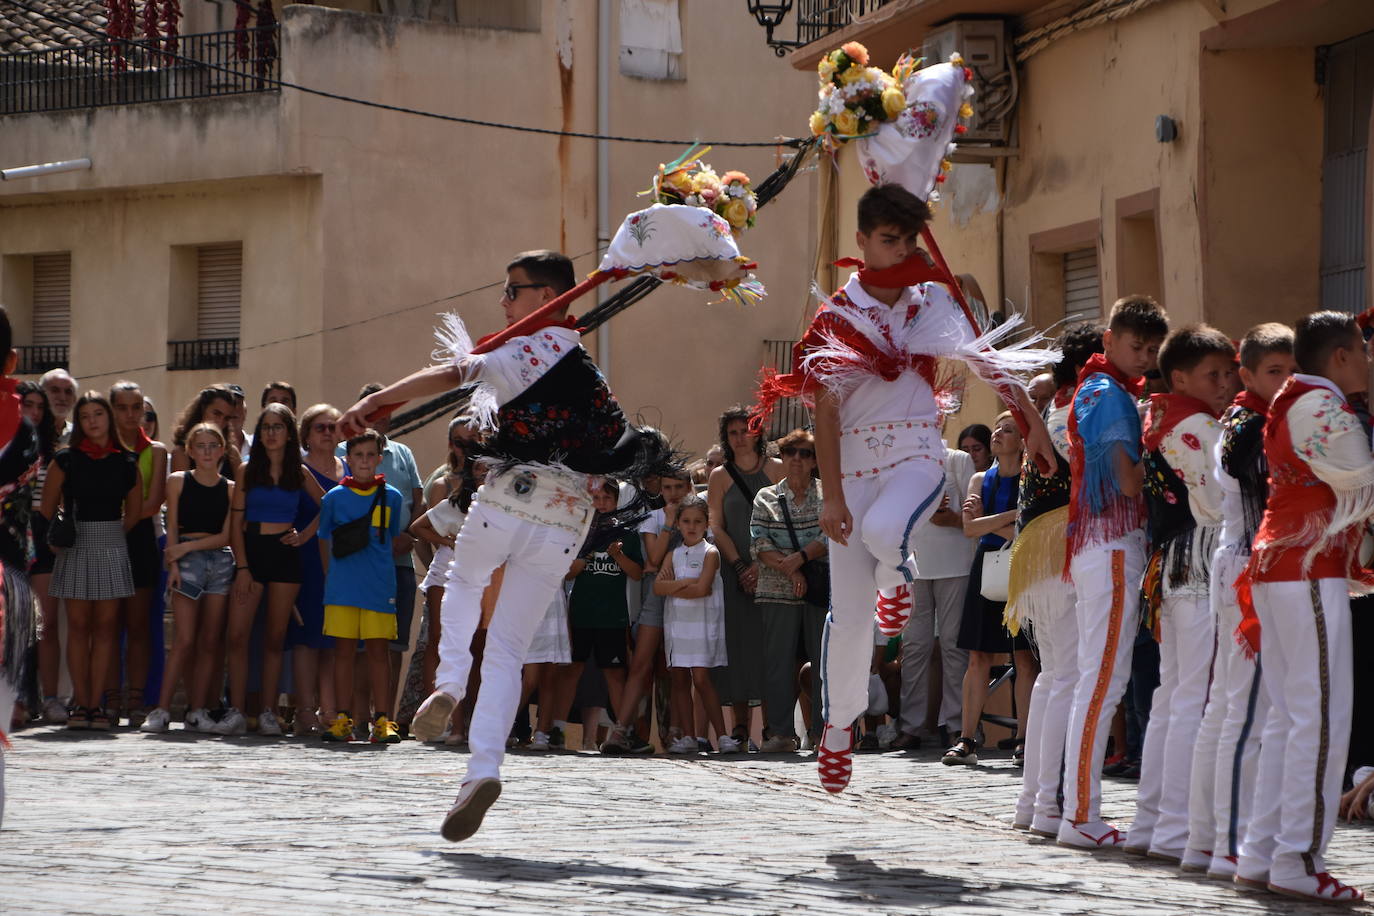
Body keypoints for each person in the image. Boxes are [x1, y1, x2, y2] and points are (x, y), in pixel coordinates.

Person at [340, 249, 671, 841]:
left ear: (546, 299)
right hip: (565, 521)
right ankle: (481, 770)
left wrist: (375, 401)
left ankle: (446, 685)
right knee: (510, 649)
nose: (503, 301)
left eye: (512, 291)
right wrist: (611, 495)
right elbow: (631, 460)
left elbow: (452, 374)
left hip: (510, 497)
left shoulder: (528, 348)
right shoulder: (589, 372)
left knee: (463, 582)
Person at [750, 183, 1056, 794]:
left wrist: (1034, 428)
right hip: (853, 470)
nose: (899, 250)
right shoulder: (836, 317)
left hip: (916, 454)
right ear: (861, 242)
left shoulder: (933, 302)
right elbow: (826, 416)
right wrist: (831, 496)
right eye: (887, 239)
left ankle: (899, 572)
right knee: (851, 614)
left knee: (888, 531)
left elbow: (992, 365)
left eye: (908, 240)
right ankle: (838, 728)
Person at [1233, 312, 1373, 902]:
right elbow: (1361, 477)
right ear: (1340, 356)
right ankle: (1296, 859)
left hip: (1290, 568)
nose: (1369, 359)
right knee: (1317, 720)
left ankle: (1265, 853)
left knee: (1291, 719)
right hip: (1305, 570)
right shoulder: (1321, 404)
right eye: (1363, 350)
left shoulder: (1300, 400)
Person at [1182, 322, 1295, 879]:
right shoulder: (1252, 424)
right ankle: (1226, 844)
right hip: (1244, 569)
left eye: (1292, 371)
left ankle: (1206, 839)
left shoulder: (1246, 419)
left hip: (1236, 564)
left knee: (1228, 708)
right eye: (1275, 371)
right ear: (1250, 373)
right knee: (1241, 712)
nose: (1287, 381)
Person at [1056, 295, 1168, 849]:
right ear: (1109, 340)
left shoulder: (1099, 388)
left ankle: (1070, 809)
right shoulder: (1113, 395)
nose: (1144, 357)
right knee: (1102, 683)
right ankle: (1080, 814)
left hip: (1097, 545)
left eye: (1151, 349)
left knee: (1092, 682)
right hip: (1113, 545)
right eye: (1135, 346)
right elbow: (1128, 482)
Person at [1126, 326, 1235, 862]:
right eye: (1213, 374)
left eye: (1229, 372)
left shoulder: (1163, 414)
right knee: (1193, 695)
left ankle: (1155, 822)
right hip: (1197, 560)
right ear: (1181, 377)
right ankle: (1179, 828)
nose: (1225, 382)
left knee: (1175, 695)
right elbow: (1219, 500)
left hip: (1174, 562)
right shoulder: (1195, 424)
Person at [1007, 324, 1104, 835]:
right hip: (1061, 545)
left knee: (1052, 676)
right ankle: (1047, 804)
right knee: (1064, 676)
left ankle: (1034, 802)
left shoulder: (1055, 408)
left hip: (1039, 551)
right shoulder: (1080, 407)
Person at [218, 404, 324, 737]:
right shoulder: (248, 470)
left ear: (289, 432)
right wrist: (244, 566)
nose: (271, 433)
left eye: (278, 426)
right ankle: (236, 710)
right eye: (265, 427)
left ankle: (267, 711)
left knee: (276, 638)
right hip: (252, 553)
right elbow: (235, 524)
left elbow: (332, 504)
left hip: (285, 554)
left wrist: (305, 535)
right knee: (237, 636)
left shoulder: (299, 471)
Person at [42, 392, 141, 729]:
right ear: (80, 423)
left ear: (108, 417)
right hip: (75, 546)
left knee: (105, 630)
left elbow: (135, 513)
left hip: (112, 544)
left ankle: (96, 706)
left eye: (98, 414)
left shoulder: (127, 461)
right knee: (79, 628)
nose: (93, 421)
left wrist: (110, 536)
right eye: (85, 416)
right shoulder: (65, 460)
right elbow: (46, 508)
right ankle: (81, 706)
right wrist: (62, 537)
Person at [945, 412, 1031, 766]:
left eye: (1008, 429)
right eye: (996, 426)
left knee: (1025, 657)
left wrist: (987, 522)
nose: (998, 433)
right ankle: (966, 739)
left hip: (1022, 569)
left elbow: (1023, 534)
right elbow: (968, 529)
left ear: (1024, 440)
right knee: (977, 656)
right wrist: (1011, 517)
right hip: (986, 569)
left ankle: (1025, 740)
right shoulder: (980, 479)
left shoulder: (1032, 478)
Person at [141, 423, 235, 733]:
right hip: (187, 563)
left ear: (222, 450)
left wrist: (187, 547)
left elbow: (226, 535)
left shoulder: (231, 488)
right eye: (201, 446)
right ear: (191, 451)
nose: (207, 451)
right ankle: (162, 709)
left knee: (210, 642)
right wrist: (175, 563)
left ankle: (197, 710)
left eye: (213, 445)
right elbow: (174, 526)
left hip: (219, 561)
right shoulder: (178, 481)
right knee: (184, 639)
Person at [316, 429, 405, 743]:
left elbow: (391, 537)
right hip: (342, 588)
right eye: (358, 455)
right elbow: (323, 539)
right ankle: (343, 719)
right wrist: (332, 578)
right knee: (344, 653)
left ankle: (383, 719)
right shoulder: (334, 498)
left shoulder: (392, 496)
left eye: (371, 455)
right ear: (348, 460)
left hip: (379, 586)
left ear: (380, 459)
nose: (365, 461)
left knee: (379, 652)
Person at [341, 383, 424, 721]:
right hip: (358, 563)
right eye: (375, 411)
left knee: (393, 645)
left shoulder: (403, 453)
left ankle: (384, 717)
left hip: (399, 563)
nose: (381, 418)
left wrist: (408, 535)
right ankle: (358, 716)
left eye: (386, 412)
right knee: (361, 645)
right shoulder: (342, 452)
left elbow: (417, 500)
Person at [600, 468, 695, 755]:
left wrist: (663, 559)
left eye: (679, 486)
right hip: (655, 594)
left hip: (686, 592)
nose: (674, 493)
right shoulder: (653, 517)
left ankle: (679, 733)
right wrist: (668, 525)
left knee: (678, 667)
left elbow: (696, 552)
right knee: (641, 663)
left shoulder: (697, 516)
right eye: (668, 487)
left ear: (689, 487)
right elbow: (651, 559)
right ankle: (620, 730)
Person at [705, 406, 783, 748]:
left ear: (757, 432)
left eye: (745, 431)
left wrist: (761, 564)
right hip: (732, 572)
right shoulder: (719, 476)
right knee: (736, 647)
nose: (740, 438)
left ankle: (773, 726)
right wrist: (739, 565)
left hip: (774, 569)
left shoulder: (778, 470)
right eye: (733, 432)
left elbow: (786, 522)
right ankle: (738, 727)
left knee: (771, 648)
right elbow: (716, 525)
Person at [544, 481, 643, 748]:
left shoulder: (628, 535)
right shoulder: (580, 533)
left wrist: (618, 555)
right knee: (571, 671)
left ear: (616, 501)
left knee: (614, 674)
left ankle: (623, 731)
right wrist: (587, 554)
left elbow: (636, 573)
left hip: (612, 617)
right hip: (581, 614)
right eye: (596, 498)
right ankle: (557, 730)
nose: (600, 503)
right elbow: (568, 572)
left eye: (606, 498)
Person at [749, 429, 828, 753]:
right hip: (776, 589)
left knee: (824, 662)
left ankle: (826, 734)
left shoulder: (828, 495)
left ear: (814, 460)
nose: (797, 458)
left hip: (819, 588)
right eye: (791, 451)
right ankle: (781, 733)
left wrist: (802, 558)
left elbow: (832, 536)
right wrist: (793, 568)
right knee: (778, 663)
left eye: (805, 452)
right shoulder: (766, 497)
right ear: (782, 456)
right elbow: (759, 541)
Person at [899, 442, 976, 750]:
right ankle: (911, 726)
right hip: (913, 563)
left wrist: (949, 516)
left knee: (954, 646)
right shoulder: (900, 463)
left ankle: (960, 726)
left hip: (955, 563)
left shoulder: (958, 460)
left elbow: (973, 514)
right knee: (914, 646)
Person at [656, 495, 738, 754]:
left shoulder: (710, 552)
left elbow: (702, 589)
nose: (691, 526)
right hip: (678, 625)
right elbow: (658, 587)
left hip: (702, 625)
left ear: (706, 524)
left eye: (697, 521)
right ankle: (689, 736)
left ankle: (722, 736)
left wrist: (675, 585)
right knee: (679, 679)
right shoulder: (673, 554)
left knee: (701, 679)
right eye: (686, 521)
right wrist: (684, 584)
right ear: (678, 523)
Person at [109, 380, 168, 727]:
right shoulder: (99, 450)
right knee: (106, 624)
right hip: (103, 540)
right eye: (123, 408)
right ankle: (109, 699)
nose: (131, 415)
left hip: (140, 539)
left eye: (137, 408)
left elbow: (153, 503)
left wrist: (117, 522)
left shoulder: (157, 451)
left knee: (138, 624)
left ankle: (135, 699)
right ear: (112, 409)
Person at [292, 403, 346, 735]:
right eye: (320, 428)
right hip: (307, 557)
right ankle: (303, 711)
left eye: (333, 427)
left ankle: (329, 709)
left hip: (342, 560)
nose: (328, 433)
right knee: (306, 637)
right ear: (306, 435)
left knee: (332, 637)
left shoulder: (350, 467)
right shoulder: (298, 469)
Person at [17, 381, 63, 725]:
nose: (33, 411)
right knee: (13, 625)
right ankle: (16, 698)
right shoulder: (5, 447)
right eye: (26, 404)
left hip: (43, 536)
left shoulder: (52, 452)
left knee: (44, 624)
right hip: (10, 535)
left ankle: (50, 699)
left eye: (38, 406)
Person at [169, 386, 240, 474]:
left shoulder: (232, 454)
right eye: (216, 414)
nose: (221, 421)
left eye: (226, 418)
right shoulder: (181, 453)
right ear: (202, 410)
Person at [38, 368, 76, 445]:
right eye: (55, 390)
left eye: (68, 392)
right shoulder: (30, 435)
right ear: (41, 395)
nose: (62, 397)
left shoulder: (79, 435)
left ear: (74, 399)